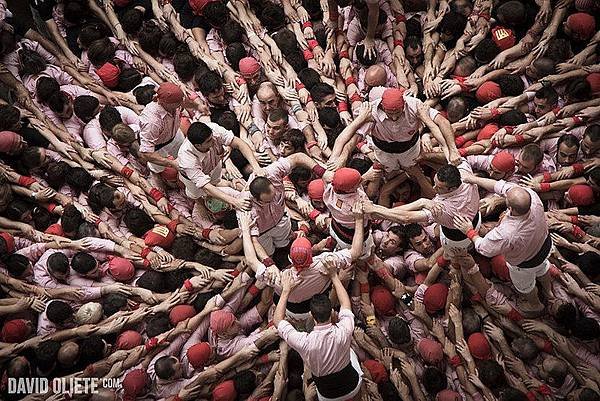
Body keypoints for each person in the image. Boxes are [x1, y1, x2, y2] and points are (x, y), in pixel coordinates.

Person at [274, 256, 362, 401]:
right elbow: (346, 303)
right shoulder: (344, 330)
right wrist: (333, 275)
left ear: (313, 317)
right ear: (332, 313)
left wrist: (286, 291)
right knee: (352, 352)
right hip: (353, 386)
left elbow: (278, 321)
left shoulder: (304, 342)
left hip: (327, 395)